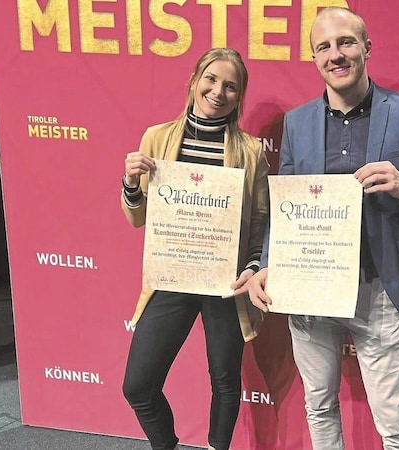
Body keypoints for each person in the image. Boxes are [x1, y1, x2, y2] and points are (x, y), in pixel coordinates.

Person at [240, 6, 399, 450]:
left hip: (378, 288)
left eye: (345, 42)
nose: (335, 54)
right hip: (310, 288)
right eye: (323, 47)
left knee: (396, 424)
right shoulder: (298, 121)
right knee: (319, 408)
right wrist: (268, 263)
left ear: (366, 48)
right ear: (313, 58)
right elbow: (288, 205)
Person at [120, 48, 269, 450]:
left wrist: (253, 266)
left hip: (225, 281)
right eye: (211, 79)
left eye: (230, 86)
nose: (218, 91)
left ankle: (219, 447)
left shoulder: (251, 150)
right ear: (194, 81)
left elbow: (259, 220)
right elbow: (139, 218)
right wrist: (131, 184)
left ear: (239, 97)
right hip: (172, 277)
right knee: (137, 385)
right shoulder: (157, 137)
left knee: (224, 380)